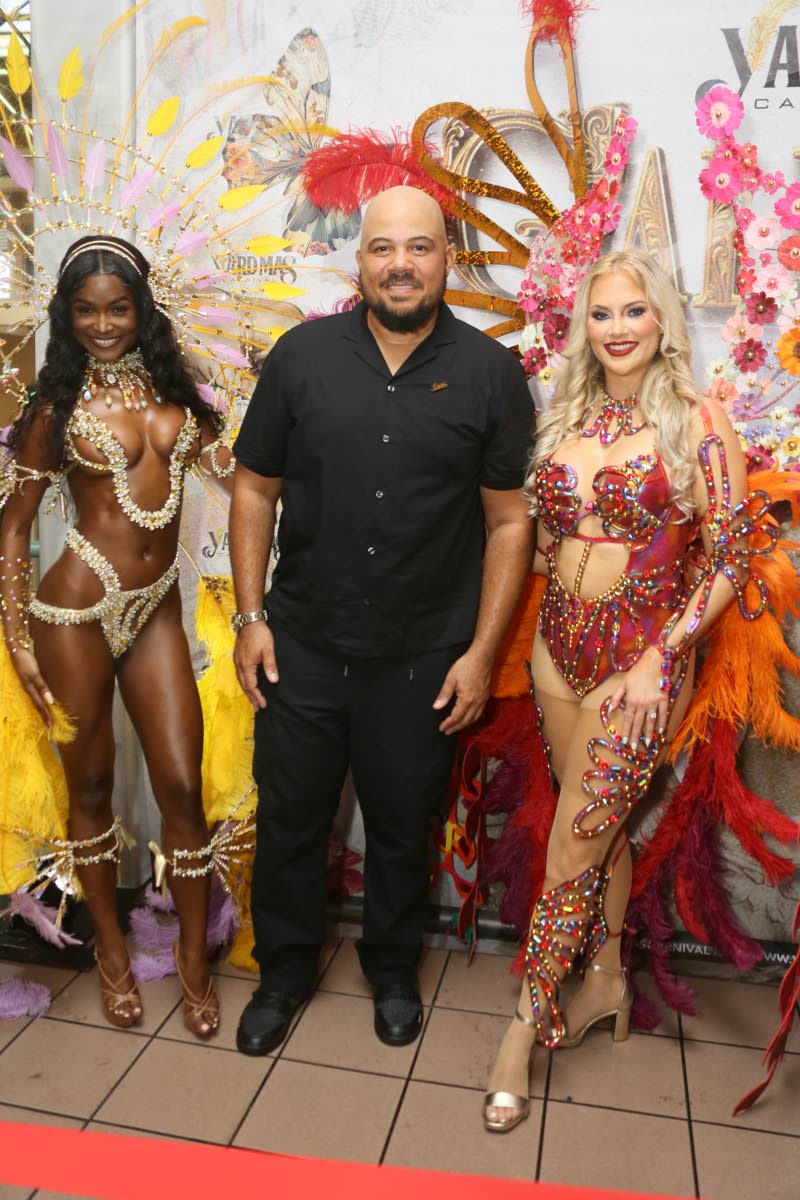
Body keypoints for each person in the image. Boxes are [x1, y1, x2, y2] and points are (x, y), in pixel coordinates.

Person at [230, 184, 535, 1055]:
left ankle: (392, 970)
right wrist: (251, 614)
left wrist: (481, 653)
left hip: (424, 654)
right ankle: (284, 970)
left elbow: (510, 519)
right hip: (303, 645)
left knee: (403, 822)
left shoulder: (491, 373)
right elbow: (254, 485)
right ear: (358, 260)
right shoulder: (300, 357)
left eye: (420, 247)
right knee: (292, 818)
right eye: (382, 249)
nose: (400, 265)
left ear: (448, 258)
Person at [483, 248, 763, 1131]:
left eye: (633, 312)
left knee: (574, 848)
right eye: (600, 314)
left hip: (640, 671)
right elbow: (533, 542)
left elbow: (732, 554)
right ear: (583, 326)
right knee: (589, 829)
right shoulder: (567, 412)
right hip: (557, 657)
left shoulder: (696, 420)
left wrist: (661, 656)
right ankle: (607, 977)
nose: (616, 330)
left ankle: (519, 1037)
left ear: (662, 320)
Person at [0, 236, 230, 1037]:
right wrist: (18, 638)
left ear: (144, 310)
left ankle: (196, 962)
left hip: (156, 609)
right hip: (71, 618)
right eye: (86, 310)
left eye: (118, 307)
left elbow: (243, 480)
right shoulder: (52, 411)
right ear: (68, 316)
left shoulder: (183, 398)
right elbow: (15, 527)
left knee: (181, 789)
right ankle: (109, 952)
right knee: (90, 790)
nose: (103, 324)